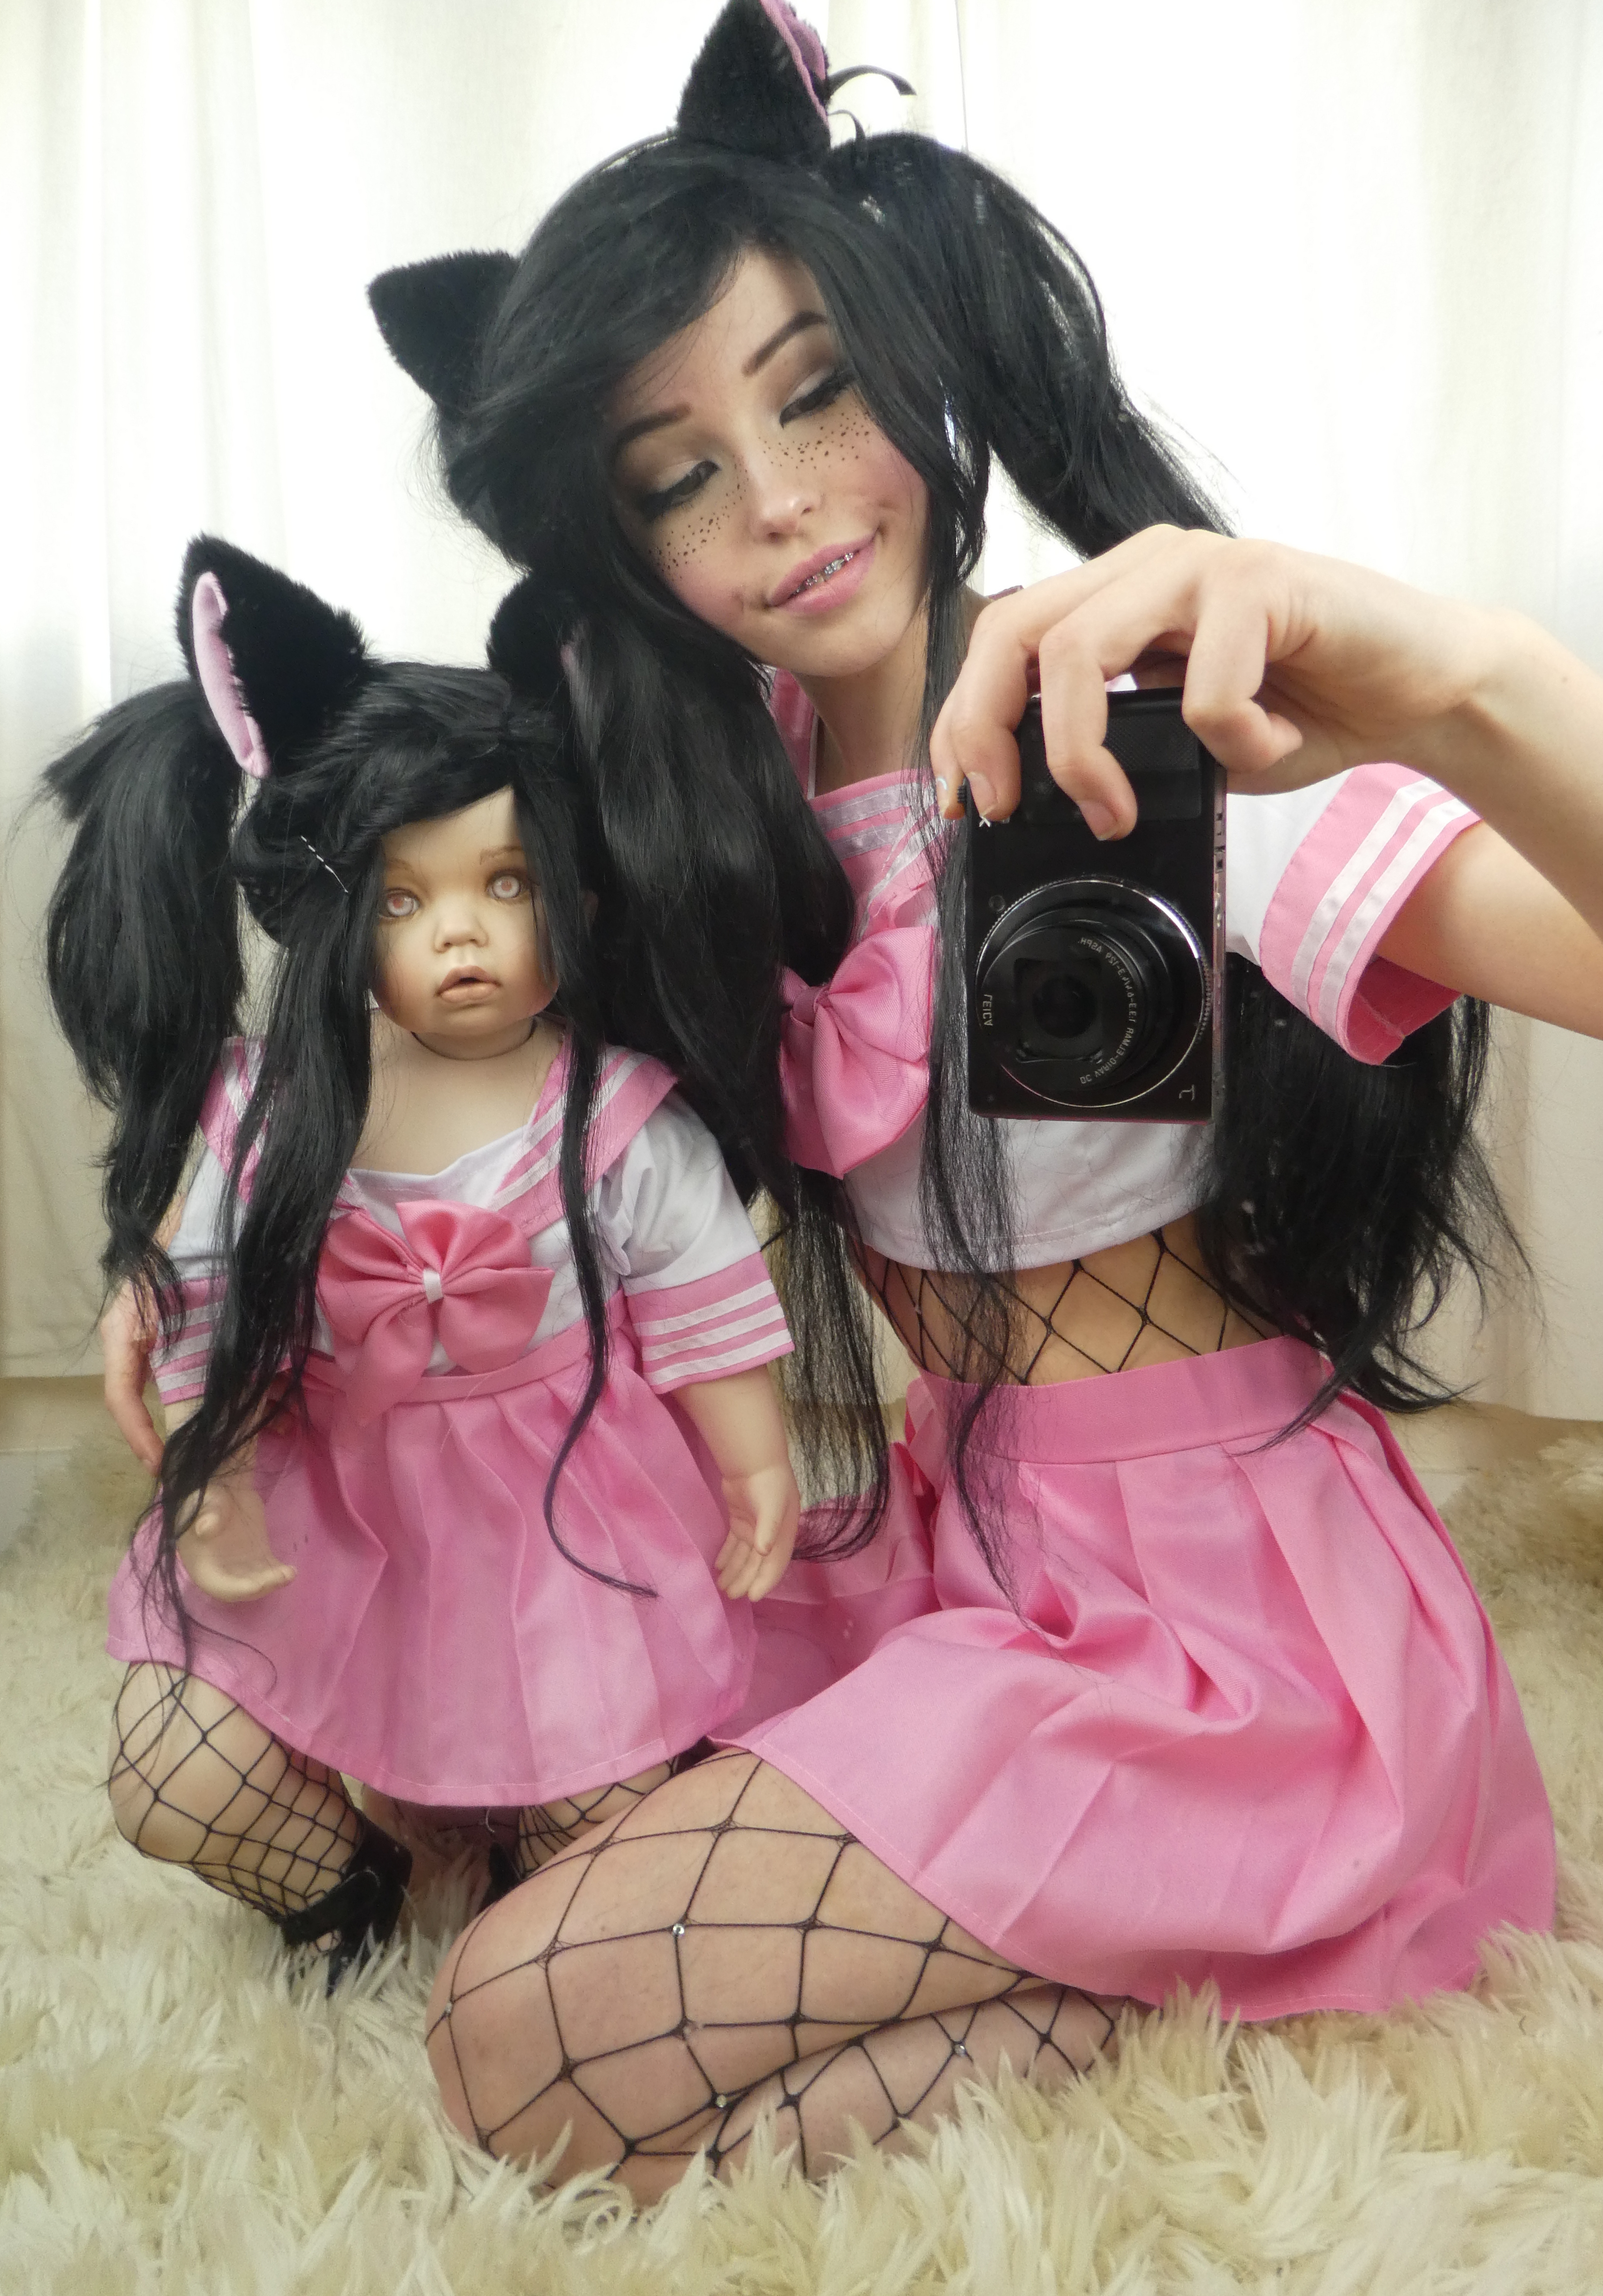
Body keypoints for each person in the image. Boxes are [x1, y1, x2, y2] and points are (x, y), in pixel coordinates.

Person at [339, 0, 1603, 2195]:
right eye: (678, 475)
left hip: (1223, 1624)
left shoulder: (1140, 731)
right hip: (955, 1543)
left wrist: (1466, 676)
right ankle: (1190, 1953)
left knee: (516, 2035)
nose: (782, 502)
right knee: (477, 1819)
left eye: (816, 389)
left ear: (918, 351)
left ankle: (1290, 1945)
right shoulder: (724, 803)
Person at [43, 535, 804, 1984]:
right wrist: (214, 1470)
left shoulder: (616, 1119)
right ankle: (348, 1880)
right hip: (343, 1508)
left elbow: (699, 1300)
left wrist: (756, 1460)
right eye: (404, 899)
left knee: (616, 1836)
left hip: (566, 1527)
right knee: (177, 1768)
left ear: (580, 893)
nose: (461, 935)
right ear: (332, 912)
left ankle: (539, 1849)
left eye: (507, 884)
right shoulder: (271, 1116)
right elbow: (207, 1303)